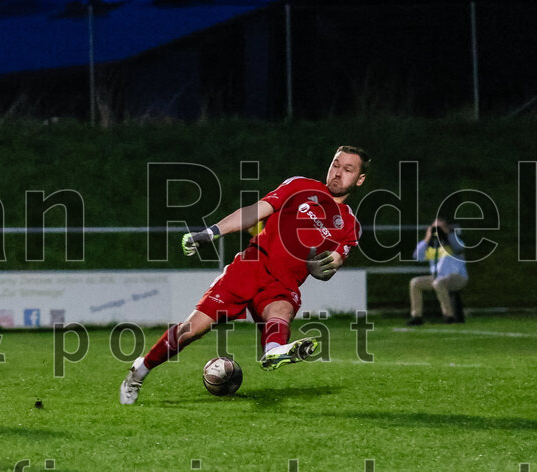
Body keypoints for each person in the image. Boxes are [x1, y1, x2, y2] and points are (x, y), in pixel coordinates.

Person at [120, 146, 369, 405]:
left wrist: (325, 268)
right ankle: (139, 372)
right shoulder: (301, 186)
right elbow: (255, 211)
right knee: (190, 330)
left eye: (348, 169)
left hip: (283, 284)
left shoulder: (350, 225)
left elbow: (336, 261)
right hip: (250, 267)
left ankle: (274, 351)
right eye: (335, 165)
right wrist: (210, 233)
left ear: (360, 179)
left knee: (281, 310)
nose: (338, 173)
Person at [407, 217, 467, 325]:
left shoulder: (454, 240)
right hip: (438, 278)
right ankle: (417, 316)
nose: (437, 231)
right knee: (415, 282)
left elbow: (459, 248)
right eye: (435, 228)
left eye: (440, 228)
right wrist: (427, 238)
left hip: (458, 277)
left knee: (438, 283)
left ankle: (449, 316)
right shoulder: (431, 245)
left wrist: (448, 233)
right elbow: (417, 256)